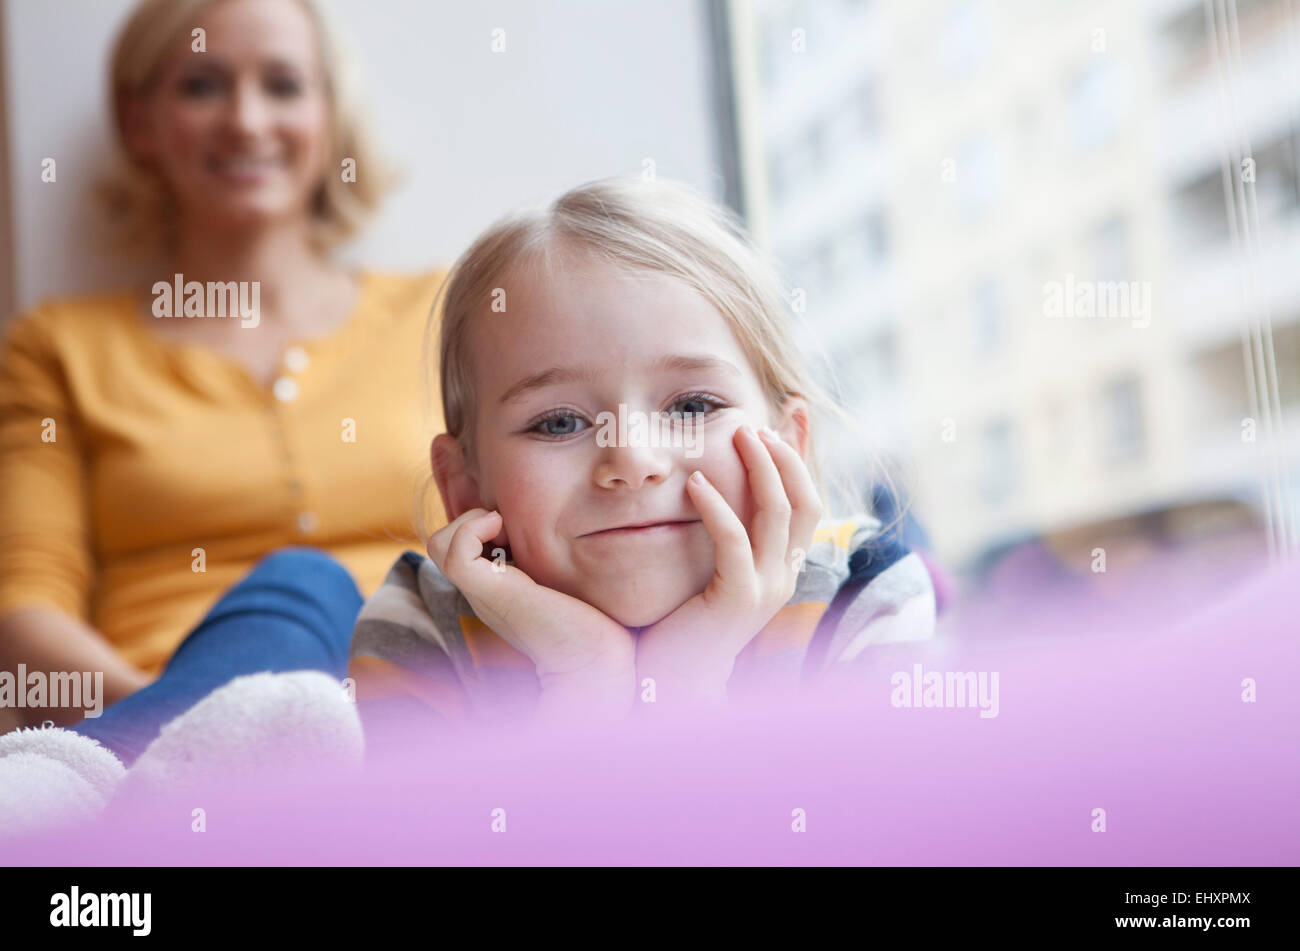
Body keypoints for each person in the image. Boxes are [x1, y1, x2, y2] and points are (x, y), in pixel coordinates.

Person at [348, 176, 938, 735]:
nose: (631, 459)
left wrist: (685, 689)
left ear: (788, 445)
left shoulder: (862, 594)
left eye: (691, 407)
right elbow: (451, 845)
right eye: (559, 422)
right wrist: (583, 688)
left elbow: (862, 839)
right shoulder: (418, 626)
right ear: (466, 488)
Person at [0, 0, 447, 736]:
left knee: (318, 590)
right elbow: (26, 611)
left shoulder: (442, 312)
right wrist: (188, 720)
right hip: (159, 729)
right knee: (297, 593)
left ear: (330, 115)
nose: (245, 120)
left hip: (416, 724)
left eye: (282, 85)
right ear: (141, 122)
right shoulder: (59, 347)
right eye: (202, 85)